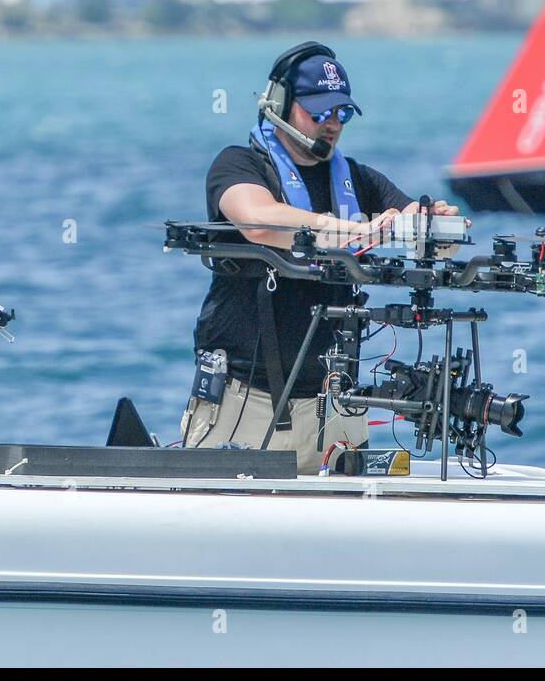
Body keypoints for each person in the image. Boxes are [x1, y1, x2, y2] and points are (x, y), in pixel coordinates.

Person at [182, 42, 462, 473]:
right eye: (319, 113)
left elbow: (422, 230)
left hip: (339, 405)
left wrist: (434, 226)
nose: (331, 124)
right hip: (248, 402)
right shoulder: (238, 165)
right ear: (279, 105)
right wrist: (357, 230)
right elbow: (259, 221)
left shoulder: (358, 179)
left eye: (341, 114)